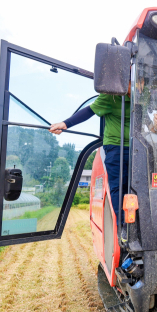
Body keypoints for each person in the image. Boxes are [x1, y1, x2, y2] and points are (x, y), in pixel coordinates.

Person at [49, 89, 131, 243]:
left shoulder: (145, 95)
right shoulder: (111, 96)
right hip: (116, 147)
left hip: (139, 145)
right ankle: (124, 227)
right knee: (118, 187)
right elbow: (89, 111)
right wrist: (66, 123)